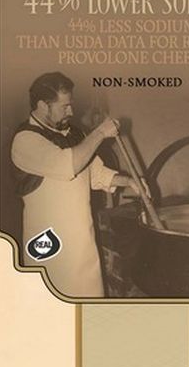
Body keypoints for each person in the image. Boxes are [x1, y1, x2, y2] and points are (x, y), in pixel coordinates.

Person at [10, 71, 139, 297]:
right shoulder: (25, 140)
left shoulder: (74, 134)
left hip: (82, 243)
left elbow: (93, 173)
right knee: (53, 304)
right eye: (65, 106)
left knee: (88, 300)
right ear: (42, 105)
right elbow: (67, 165)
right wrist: (100, 133)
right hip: (50, 243)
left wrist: (130, 181)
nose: (71, 111)